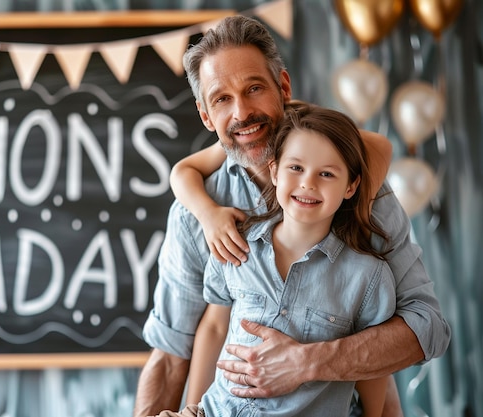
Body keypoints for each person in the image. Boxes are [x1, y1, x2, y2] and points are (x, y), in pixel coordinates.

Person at [134, 15, 450, 417]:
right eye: (222, 99)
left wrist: (306, 362)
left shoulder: (353, 193)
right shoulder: (200, 215)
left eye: (254, 88)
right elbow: (176, 349)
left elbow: (428, 328)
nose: (242, 112)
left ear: (283, 88)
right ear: (205, 116)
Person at [155, 100, 397, 417]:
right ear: (275, 171)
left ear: (350, 186)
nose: (308, 183)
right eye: (295, 168)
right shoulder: (236, 246)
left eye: (326, 173)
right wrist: (194, 408)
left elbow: (372, 367)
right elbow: (215, 328)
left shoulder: (368, 277)